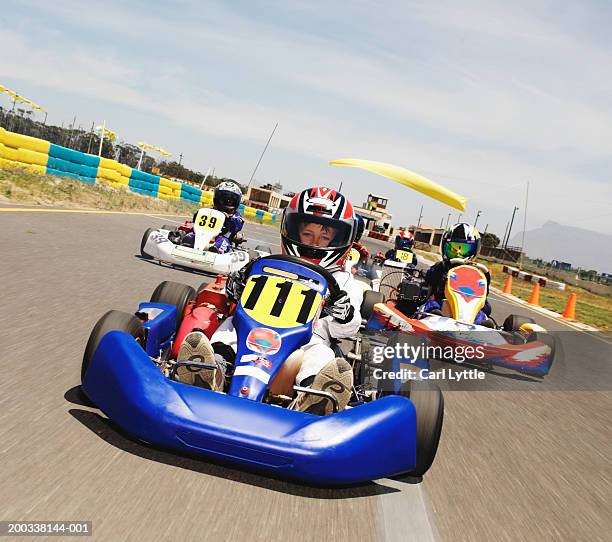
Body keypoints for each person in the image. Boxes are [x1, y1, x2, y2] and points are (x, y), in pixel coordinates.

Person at [176, 186, 363, 415]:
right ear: (292, 230)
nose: (315, 242)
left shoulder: (343, 281)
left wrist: (342, 313)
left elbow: (352, 326)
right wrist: (235, 286)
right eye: (307, 233)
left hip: (308, 342)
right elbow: (234, 293)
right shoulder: (266, 263)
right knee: (228, 329)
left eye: (325, 236)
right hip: (251, 329)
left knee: (322, 355)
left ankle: (312, 399)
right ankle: (211, 371)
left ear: (342, 238)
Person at [421, 223, 492, 324]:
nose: (458, 254)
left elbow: (484, 303)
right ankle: (432, 318)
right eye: (453, 249)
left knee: (482, 314)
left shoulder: (480, 274)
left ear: (474, 249)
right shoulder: (439, 268)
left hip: (469, 311)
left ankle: (484, 328)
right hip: (442, 306)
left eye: (463, 249)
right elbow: (426, 285)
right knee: (432, 305)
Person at [181, 181, 244, 253]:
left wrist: (228, 218)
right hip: (201, 235)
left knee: (223, 241)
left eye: (230, 200)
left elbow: (237, 226)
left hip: (221, 238)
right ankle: (187, 243)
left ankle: (216, 251)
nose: (227, 201)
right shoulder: (209, 211)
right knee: (191, 235)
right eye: (224, 198)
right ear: (216, 198)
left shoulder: (236, 216)